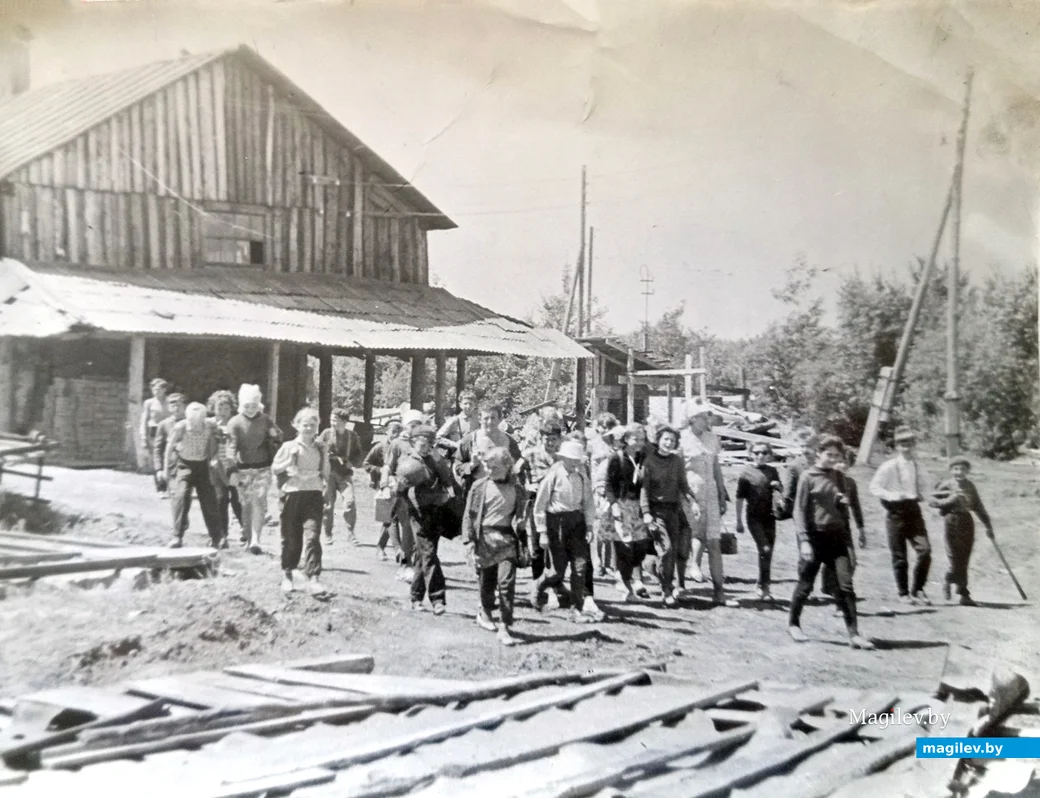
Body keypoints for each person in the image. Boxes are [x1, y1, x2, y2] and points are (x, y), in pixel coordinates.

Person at [788, 435, 874, 650]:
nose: (833, 459)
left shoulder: (840, 477)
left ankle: (854, 634)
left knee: (846, 585)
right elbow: (798, 511)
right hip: (815, 538)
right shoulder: (808, 477)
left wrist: (840, 504)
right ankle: (793, 624)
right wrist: (804, 541)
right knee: (806, 584)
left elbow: (843, 506)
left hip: (838, 538)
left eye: (837, 455)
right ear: (818, 453)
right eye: (829, 455)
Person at [463, 446, 527, 646]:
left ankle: (505, 626)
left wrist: (523, 528)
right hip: (485, 538)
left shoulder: (518, 489)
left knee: (506, 582)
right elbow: (469, 515)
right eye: (488, 468)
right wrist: (469, 541)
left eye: (495, 468)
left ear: (508, 466)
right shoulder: (479, 487)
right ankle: (485, 612)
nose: (491, 472)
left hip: (507, 539)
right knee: (487, 582)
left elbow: (523, 516)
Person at [532, 439, 599, 622]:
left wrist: (590, 526)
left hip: (576, 523)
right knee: (557, 571)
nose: (574, 463)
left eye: (577, 460)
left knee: (580, 566)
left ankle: (576, 609)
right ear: (562, 458)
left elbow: (588, 504)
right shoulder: (553, 476)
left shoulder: (582, 479)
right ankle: (539, 587)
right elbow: (540, 505)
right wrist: (543, 531)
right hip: (556, 523)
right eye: (570, 459)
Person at [679, 403, 736, 606]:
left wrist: (722, 494)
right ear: (693, 418)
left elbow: (716, 468)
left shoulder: (712, 439)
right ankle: (680, 586)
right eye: (704, 416)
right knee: (686, 539)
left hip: (710, 494)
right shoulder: (681, 439)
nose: (707, 420)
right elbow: (678, 472)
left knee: (713, 542)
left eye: (708, 416)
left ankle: (719, 592)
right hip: (688, 496)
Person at [869, 426, 933, 605]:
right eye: (903, 443)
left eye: (910, 443)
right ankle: (903, 593)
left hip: (913, 511)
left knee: (925, 551)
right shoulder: (888, 466)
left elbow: (926, 486)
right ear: (897, 446)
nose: (907, 447)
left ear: (914, 445)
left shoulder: (918, 465)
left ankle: (918, 589)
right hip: (895, 512)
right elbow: (874, 487)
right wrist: (891, 495)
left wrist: (924, 495)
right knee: (900, 556)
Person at [395, 426, 455, 614]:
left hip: (436, 509)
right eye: (421, 443)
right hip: (417, 512)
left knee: (423, 554)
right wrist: (401, 485)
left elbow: (447, 479)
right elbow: (399, 490)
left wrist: (447, 490)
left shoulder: (435, 459)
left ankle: (416, 597)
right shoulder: (407, 461)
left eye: (428, 443)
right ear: (413, 442)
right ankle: (438, 599)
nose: (425, 446)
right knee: (428, 552)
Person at [271, 408, 330, 596]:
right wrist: (288, 462)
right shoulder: (288, 446)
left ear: (317, 427)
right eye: (305, 425)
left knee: (312, 536)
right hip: (292, 494)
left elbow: (326, 474)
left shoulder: (320, 448)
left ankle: (314, 578)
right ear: (297, 426)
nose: (309, 428)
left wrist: (326, 456)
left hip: (313, 494)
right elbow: (275, 468)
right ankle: (288, 574)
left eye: (313, 425)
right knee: (291, 538)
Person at [641, 425, 699, 607]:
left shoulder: (676, 461)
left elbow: (683, 485)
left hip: (674, 511)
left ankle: (659, 576)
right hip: (656, 511)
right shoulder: (649, 462)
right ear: (658, 440)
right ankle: (666, 589)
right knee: (665, 549)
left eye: (672, 440)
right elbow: (644, 489)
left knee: (672, 551)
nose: (668, 443)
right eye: (665, 439)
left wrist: (693, 501)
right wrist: (646, 513)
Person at [225, 385, 282, 555]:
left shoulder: (265, 420)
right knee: (246, 505)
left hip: (262, 467)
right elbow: (230, 448)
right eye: (247, 405)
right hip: (242, 468)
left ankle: (256, 540)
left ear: (259, 404)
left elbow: (279, 435)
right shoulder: (234, 422)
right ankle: (248, 537)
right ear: (242, 405)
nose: (251, 409)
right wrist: (232, 470)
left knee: (258, 500)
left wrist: (274, 437)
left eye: (254, 405)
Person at [930, 456, 994, 606]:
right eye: (956, 469)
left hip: (967, 521)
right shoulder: (945, 485)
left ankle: (964, 594)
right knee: (954, 556)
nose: (959, 472)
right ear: (951, 470)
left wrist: (988, 526)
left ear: (967, 471)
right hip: (951, 520)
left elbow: (978, 507)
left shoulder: (970, 486)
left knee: (964, 557)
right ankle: (948, 578)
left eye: (963, 469)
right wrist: (950, 499)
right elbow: (933, 502)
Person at [518, 416, 565, 608]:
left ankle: (555, 585)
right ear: (541, 438)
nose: (551, 443)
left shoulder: (563, 457)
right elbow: (515, 471)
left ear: (560, 439)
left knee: (557, 547)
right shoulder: (530, 454)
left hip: (558, 506)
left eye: (554, 439)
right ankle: (538, 586)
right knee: (538, 548)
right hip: (537, 504)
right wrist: (527, 485)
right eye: (547, 438)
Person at [165, 402, 223, 549]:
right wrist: (166, 470)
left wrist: (215, 456)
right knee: (182, 496)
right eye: (193, 422)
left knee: (209, 500)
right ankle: (177, 536)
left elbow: (219, 441)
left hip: (202, 466)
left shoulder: (210, 426)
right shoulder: (181, 427)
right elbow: (169, 448)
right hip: (185, 464)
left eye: (199, 422)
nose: (196, 425)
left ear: (204, 418)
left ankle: (217, 537)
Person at [605, 424, 653, 602]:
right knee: (624, 547)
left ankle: (625, 574)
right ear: (626, 439)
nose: (639, 443)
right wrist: (614, 505)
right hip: (622, 505)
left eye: (642, 439)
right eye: (635, 439)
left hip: (639, 506)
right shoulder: (616, 457)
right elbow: (609, 484)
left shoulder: (644, 458)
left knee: (640, 546)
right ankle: (627, 587)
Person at [382, 409, 429, 582]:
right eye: (411, 425)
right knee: (407, 528)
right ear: (405, 426)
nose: (414, 428)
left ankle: (418, 565)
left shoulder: (425, 442)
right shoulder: (397, 443)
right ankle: (405, 565)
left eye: (418, 425)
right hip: (401, 491)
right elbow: (388, 466)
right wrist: (385, 485)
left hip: (421, 492)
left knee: (420, 531)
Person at [734, 442, 784, 601]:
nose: (760, 455)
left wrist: (779, 488)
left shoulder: (772, 471)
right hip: (753, 517)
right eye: (756, 453)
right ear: (750, 454)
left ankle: (764, 586)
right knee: (765, 549)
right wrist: (738, 521)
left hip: (769, 517)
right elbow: (740, 498)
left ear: (769, 454)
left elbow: (779, 490)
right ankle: (763, 586)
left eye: (764, 452)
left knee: (768, 553)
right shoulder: (746, 473)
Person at [821, 456, 866, 605]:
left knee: (851, 563)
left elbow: (856, 507)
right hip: (826, 527)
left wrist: (861, 530)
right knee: (832, 563)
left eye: (844, 462)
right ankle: (837, 596)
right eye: (838, 461)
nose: (841, 465)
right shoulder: (825, 480)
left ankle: (833, 589)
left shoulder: (850, 483)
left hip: (844, 528)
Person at [318, 408, 365, 546]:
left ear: (344, 422)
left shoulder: (352, 436)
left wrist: (353, 463)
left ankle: (351, 533)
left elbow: (359, 455)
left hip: (344, 474)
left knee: (350, 502)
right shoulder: (326, 434)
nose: (332, 422)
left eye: (335, 420)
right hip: (329, 474)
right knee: (328, 505)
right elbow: (317, 449)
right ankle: (327, 534)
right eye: (331, 419)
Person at [454, 405, 522, 495]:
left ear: (500, 419)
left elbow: (517, 466)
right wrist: (472, 465)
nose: (489, 422)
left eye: (493, 418)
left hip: (503, 492)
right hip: (478, 491)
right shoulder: (470, 440)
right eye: (486, 418)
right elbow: (458, 467)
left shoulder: (509, 441)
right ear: (480, 419)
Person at [207, 389, 242, 549]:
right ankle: (222, 535)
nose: (222, 412)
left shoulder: (235, 423)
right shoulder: (209, 424)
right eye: (219, 408)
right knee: (220, 500)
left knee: (237, 500)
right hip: (216, 467)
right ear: (213, 408)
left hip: (234, 466)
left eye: (226, 408)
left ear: (231, 409)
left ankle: (245, 529)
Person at [364, 421, 403, 561]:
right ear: (387, 432)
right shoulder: (380, 447)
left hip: (399, 484)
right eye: (393, 432)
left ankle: (381, 547)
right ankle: (396, 549)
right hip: (384, 484)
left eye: (399, 433)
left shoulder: (402, 446)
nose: (396, 435)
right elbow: (366, 464)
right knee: (390, 517)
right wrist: (380, 471)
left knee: (391, 517)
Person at [588, 412, 620, 578]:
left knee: (612, 526)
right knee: (598, 526)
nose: (605, 429)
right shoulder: (592, 444)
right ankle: (597, 561)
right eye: (603, 426)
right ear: (598, 427)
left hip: (614, 488)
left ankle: (610, 563)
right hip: (597, 488)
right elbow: (587, 467)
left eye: (609, 426)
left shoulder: (617, 444)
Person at [152, 393, 187, 500]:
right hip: (171, 463)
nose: (176, 408)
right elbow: (158, 448)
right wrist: (159, 469)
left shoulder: (190, 422)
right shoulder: (164, 424)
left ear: (185, 406)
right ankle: (162, 487)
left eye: (179, 405)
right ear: (168, 407)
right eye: (173, 405)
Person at [140, 378, 171, 490]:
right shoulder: (149, 403)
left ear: (164, 390)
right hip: (154, 431)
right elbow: (144, 419)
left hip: (167, 431)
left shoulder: (169, 401)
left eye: (158, 389)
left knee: (168, 456)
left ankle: (169, 485)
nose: (156, 391)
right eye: (154, 389)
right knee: (157, 457)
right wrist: (143, 436)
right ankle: (160, 486)